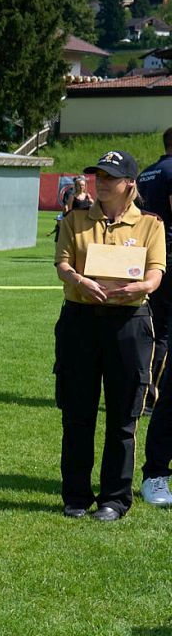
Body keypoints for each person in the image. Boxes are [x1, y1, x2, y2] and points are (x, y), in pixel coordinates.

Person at [52, 149, 166, 519]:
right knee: (77, 414)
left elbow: (156, 272)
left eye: (110, 177)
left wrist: (142, 287)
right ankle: (76, 497)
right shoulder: (75, 219)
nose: (101, 183)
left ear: (130, 183)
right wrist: (79, 280)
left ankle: (115, 500)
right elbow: (62, 264)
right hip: (80, 321)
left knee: (123, 417)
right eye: (98, 176)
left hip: (130, 323)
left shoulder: (150, 224)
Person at [137, 128, 172, 508]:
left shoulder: (147, 172)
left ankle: (145, 395)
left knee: (157, 336)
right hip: (168, 266)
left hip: (157, 268)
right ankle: (157, 472)